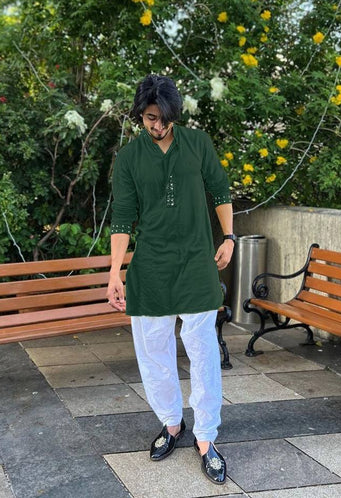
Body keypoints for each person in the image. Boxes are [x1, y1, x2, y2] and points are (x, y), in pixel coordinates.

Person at [107, 74, 235, 484]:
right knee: (153, 351)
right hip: (151, 267)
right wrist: (115, 272)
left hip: (197, 261)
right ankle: (171, 422)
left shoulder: (198, 144)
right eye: (150, 118)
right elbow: (122, 218)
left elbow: (220, 191)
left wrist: (229, 237)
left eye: (163, 118)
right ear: (140, 115)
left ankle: (206, 436)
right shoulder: (129, 157)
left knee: (203, 352)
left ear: (174, 114)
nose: (158, 126)